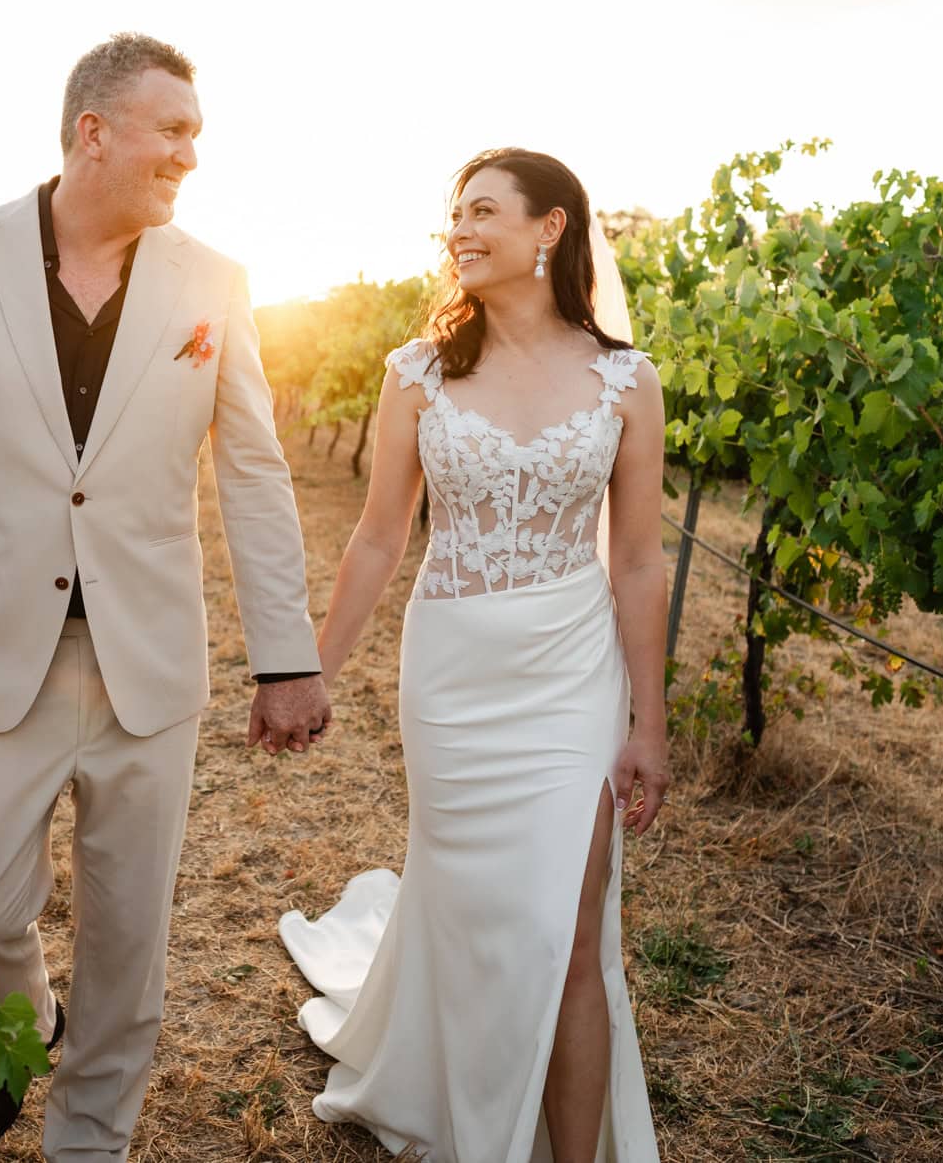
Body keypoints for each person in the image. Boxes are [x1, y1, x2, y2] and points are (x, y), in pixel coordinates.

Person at [0, 33, 332, 1162]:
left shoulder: (212, 282)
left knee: (128, 940)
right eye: (171, 129)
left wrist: (286, 654)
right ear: (94, 131)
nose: (190, 152)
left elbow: (256, 470)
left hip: (149, 664)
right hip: (1, 651)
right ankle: (26, 1020)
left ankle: (88, 1140)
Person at [279, 148, 668, 1162]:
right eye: (454, 213)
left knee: (569, 932)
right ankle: (456, 1094)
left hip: (571, 672)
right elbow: (375, 538)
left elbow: (634, 561)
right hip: (452, 674)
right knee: (469, 907)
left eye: (484, 210)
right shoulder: (415, 374)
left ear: (549, 229)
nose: (460, 228)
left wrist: (648, 724)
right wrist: (312, 665)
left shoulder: (625, 380)